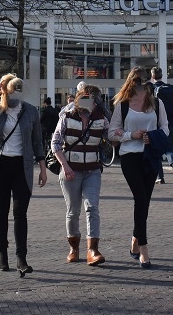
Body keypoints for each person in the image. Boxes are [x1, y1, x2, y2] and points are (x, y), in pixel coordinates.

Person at [0, 74, 47, 276]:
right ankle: (2, 254)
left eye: (17, 88)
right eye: (12, 87)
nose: (15, 91)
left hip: (22, 166)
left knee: (20, 213)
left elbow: (37, 142)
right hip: (1, 166)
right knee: (2, 211)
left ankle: (21, 258)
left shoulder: (30, 111)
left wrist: (42, 168)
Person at [107, 68, 170, 269]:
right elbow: (111, 134)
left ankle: (135, 238)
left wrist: (151, 137)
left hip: (150, 156)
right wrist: (130, 135)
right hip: (129, 156)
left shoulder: (157, 104)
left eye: (146, 84)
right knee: (140, 198)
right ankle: (143, 248)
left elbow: (166, 129)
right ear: (132, 83)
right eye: (139, 84)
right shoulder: (122, 105)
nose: (143, 88)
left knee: (145, 201)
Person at [51, 84, 108, 266]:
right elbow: (56, 144)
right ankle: (74, 247)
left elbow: (112, 138)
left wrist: (120, 130)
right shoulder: (67, 117)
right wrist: (65, 166)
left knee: (92, 207)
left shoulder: (101, 118)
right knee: (73, 211)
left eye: (92, 98)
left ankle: (93, 249)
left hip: (92, 169)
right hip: (71, 169)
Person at [149, 66, 173, 183]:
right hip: (170, 122)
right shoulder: (171, 88)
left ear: (152, 76)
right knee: (169, 147)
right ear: (162, 75)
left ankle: (160, 177)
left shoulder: (152, 88)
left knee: (156, 150)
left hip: (157, 124)